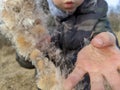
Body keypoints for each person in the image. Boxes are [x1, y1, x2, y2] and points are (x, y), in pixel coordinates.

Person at [46, 0, 120, 90]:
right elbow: (26, 61)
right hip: (50, 83)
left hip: (85, 82)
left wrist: (104, 46)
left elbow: (103, 31)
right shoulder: (35, 12)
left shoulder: (97, 8)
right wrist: (32, 48)